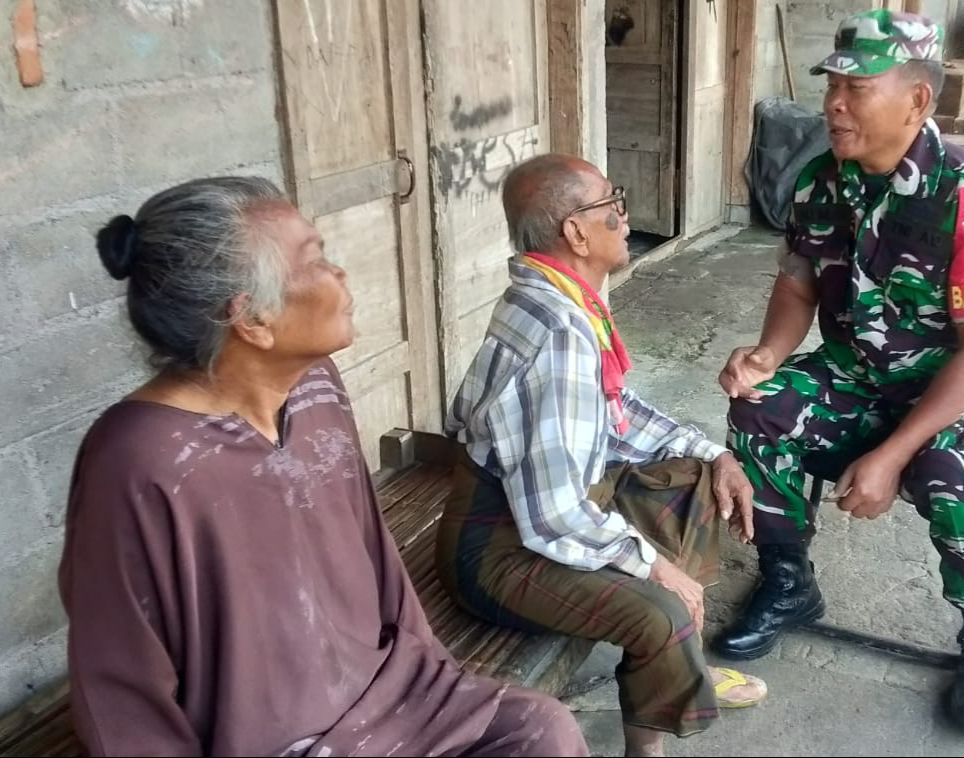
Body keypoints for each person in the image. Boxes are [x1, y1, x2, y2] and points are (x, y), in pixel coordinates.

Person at [59, 176, 588, 757]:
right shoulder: (138, 460)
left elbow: (373, 555)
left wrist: (428, 673)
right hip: (280, 741)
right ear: (252, 320)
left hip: (393, 693)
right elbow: (120, 690)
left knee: (542, 732)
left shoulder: (314, 390)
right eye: (317, 260)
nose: (340, 275)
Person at [714, 10, 964, 736]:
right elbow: (797, 282)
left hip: (951, 384)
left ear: (917, 101)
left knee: (949, 478)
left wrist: (890, 456)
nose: (834, 103)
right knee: (759, 406)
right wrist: (765, 353)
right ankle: (787, 582)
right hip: (857, 369)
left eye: (857, 88)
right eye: (832, 85)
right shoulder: (822, 180)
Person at [438, 154, 767, 757]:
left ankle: (676, 663)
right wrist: (656, 569)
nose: (623, 213)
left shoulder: (561, 297)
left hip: (535, 506)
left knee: (694, 480)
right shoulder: (560, 330)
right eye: (610, 204)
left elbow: (615, 409)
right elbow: (555, 516)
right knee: (659, 611)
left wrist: (713, 452)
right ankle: (656, 716)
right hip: (496, 550)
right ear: (575, 231)